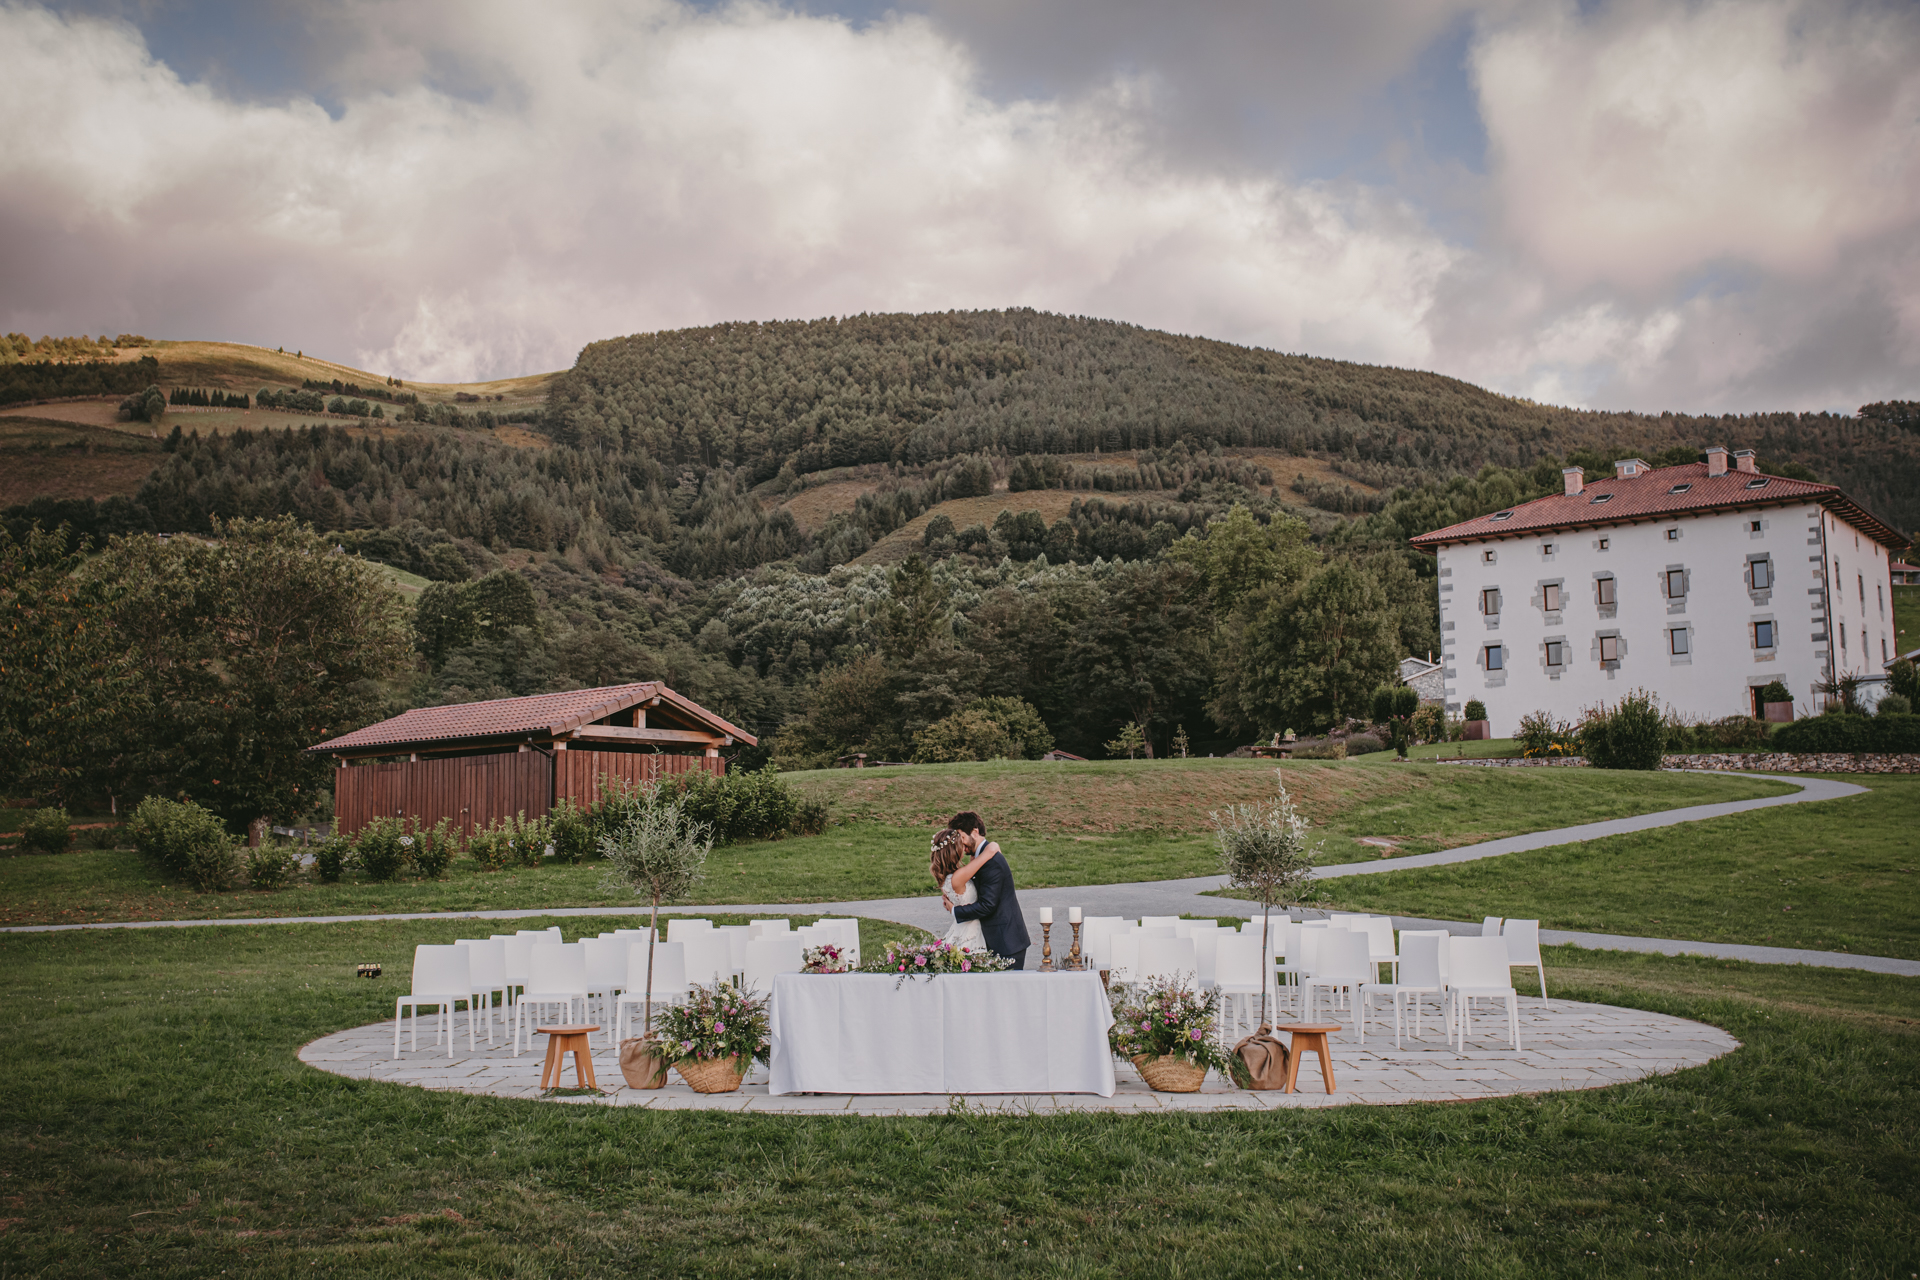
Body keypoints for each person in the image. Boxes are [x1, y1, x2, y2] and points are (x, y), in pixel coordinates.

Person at [941, 811, 1030, 969]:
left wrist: (955, 911)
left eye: (961, 837)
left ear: (974, 832)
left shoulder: (991, 861)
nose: (960, 844)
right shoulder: (981, 856)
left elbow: (988, 905)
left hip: (1006, 943)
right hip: (992, 940)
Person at [931, 828, 993, 954]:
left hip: (961, 926)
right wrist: (993, 846)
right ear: (955, 851)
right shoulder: (958, 877)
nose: (964, 848)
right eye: (961, 845)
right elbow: (988, 853)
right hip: (971, 930)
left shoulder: (947, 877)